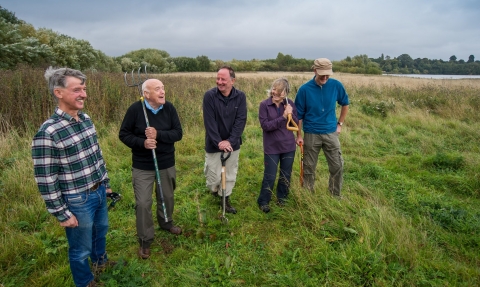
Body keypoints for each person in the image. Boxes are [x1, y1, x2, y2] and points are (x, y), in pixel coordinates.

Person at [32, 67, 114, 287]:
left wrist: (105, 184)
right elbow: (46, 179)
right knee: (80, 248)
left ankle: (100, 262)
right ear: (59, 93)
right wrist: (61, 213)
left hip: (97, 191)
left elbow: (96, 155)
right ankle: (85, 281)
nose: (84, 94)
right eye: (77, 89)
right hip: (77, 200)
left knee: (100, 232)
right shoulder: (48, 132)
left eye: (84, 89)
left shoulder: (85, 119)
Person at [119, 78, 183, 260]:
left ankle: (166, 222)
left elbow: (178, 133)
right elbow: (123, 134)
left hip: (165, 162)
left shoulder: (169, 108)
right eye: (157, 89)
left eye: (163, 87)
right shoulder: (135, 110)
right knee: (143, 203)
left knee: (167, 197)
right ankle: (145, 239)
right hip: (143, 165)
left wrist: (158, 134)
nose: (163, 92)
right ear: (146, 94)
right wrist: (143, 143)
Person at [294, 58, 349, 197]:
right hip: (311, 133)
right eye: (322, 74)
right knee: (309, 166)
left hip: (331, 132)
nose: (325, 77)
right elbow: (298, 115)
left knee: (337, 165)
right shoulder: (304, 90)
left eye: (328, 74)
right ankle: (308, 194)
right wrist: (299, 135)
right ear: (315, 71)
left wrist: (340, 124)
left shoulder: (336, 85)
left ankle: (335, 194)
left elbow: (345, 103)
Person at [203, 66, 247, 214]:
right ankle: (215, 189)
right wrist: (219, 142)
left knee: (229, 173)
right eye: (218, 78)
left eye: (223, 79)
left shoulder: (240, 96)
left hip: (232, 144)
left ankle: (225, 199)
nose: (219, 82)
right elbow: (209, 122)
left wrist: (231, 141)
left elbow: (241, 120)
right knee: (213, 176)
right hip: (213, 144)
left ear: (232, 81)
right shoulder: (209, 96)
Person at [257, 78, 299, 213]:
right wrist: (283, 117)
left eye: (280, 91)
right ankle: (263, 201)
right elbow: (265, 126)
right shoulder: (264, 105)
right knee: (270, 175)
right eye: (274, 89)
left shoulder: (290, 103)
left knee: (285, 174)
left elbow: (296, 124)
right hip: (272, 147)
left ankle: (282, 199)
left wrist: (290, 113)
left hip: (288, 146)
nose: (275, 93)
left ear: (286, 93)